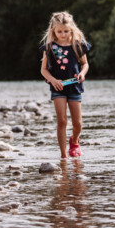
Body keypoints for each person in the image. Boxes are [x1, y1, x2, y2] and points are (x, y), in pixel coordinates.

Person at [40, 11, 91, 159]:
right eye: (59, 31)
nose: (63, 34)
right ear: (53, 31)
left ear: (72, 29)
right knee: (62, 120)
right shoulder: (49, 47)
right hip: (58, 88)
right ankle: (64, 155)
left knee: (78, 123)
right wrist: (53, 80)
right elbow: (43, 70)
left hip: (74, 87)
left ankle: (74, 140)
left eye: (66, 31)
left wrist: (82, 74)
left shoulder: (78, 45)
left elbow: (85, 64)